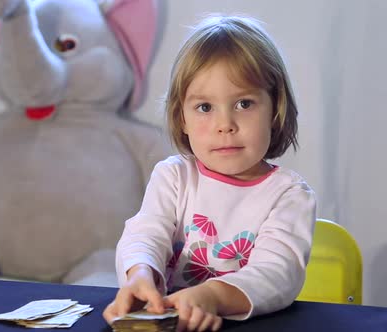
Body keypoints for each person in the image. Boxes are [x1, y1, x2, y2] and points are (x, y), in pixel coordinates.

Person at [103, 14, 316, 332]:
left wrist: (212, 296)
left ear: (275, 110)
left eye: (244, 103)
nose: (225, 124)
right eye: (205, 107)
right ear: (182, 118)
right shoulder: (173, 177)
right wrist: (140, 274)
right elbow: (145, 234)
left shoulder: (288, 195)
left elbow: (278, 273)